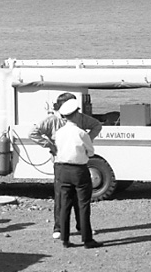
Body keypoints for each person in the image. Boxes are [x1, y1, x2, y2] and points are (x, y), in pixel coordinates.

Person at [29, 92, 102, 240]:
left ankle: (81, 227)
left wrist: (87, 139)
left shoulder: (80, 118)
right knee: (61, 197)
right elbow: (32, 133)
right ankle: (59, 228)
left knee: (80, 198)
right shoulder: (51, 120)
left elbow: (96, 125)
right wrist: (49, 145)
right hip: (60, 162)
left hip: (77, 163)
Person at [53, 98, 102, 249]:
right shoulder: (81, 133)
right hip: (79, 170)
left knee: (64, 204)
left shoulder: (59, 133)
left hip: (62, 169)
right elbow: (91, 151)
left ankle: (65, 238)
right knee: (83, 204)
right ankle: (87, 239)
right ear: (75, 114)